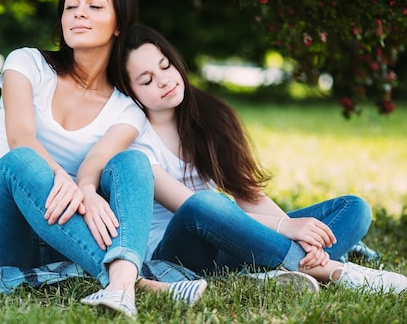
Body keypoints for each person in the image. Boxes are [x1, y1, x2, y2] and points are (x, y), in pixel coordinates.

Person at [0, 0, 207, 320]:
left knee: (132, 161)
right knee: (23, 162)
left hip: (63, 242)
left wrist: (87, 187)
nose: (78, 13)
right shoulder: (27, 63)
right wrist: (63, 177)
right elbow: (21, 137)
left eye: (95, 6)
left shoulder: (127, 109)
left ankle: (119, 286)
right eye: (70, 5)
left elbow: (100, 160)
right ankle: (135, 283)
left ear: (118, 23)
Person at [113, 23, 407, 295]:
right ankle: (331, 270)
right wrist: (286, 228)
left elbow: (248, 196)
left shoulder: (210, 119)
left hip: (234, 240)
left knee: (354, 208)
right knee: (205, 202)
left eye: (165, 66)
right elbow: (188, 209)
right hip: (181, 251)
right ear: (130, 92)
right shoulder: (134, 141)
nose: (164, 80)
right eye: (147, 80)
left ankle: (269, 269)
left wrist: (298, 232)